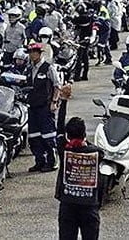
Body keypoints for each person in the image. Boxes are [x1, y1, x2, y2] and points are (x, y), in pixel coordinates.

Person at [56, 117, 102, 240]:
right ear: (84, 134)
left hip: (68, 205)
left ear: (67, 136)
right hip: (89, 206)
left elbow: (59, 130)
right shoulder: (96, 154)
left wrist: (64, 101)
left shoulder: (64, 151)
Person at [27, 42, 62, 172]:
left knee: (48, 136)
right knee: (34, 137)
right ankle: (39, 161)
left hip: (45, 107)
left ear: (40, 53)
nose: (32, 55)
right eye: (30, 52)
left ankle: (52, 162)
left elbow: (57, 86)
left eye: (34, 52)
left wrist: (54, 102)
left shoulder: (48, 68)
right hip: (32, 107)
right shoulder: (29, 68)